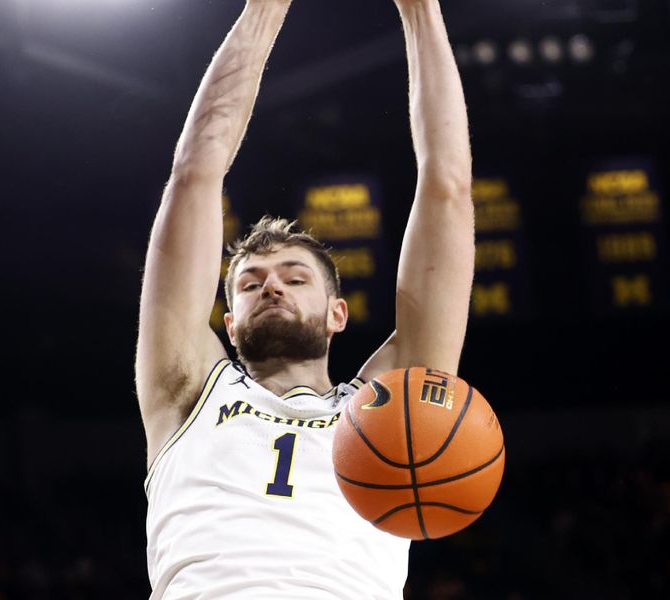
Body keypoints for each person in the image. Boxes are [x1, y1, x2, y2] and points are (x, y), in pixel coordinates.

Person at [135, 0, 474, 597]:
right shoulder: (186, 388)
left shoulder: (389, 410)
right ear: (229, 324)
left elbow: (447, 185)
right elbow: (194, 171)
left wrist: (422, 13)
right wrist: (265, 8)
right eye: (248, 282)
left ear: (337, 313)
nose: (271, 284)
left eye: (295, 277)